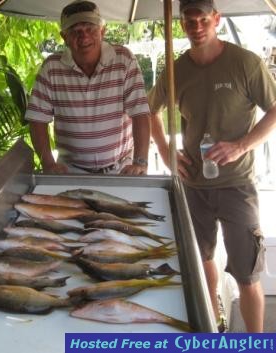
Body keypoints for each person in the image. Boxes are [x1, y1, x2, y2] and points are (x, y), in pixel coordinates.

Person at [148, 0, 276, 332]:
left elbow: (274, 109)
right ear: (181, 25)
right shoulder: (176, 70)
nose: (197, 26)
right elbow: (150, 111)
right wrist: (165, 152)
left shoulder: (245, 63)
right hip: (193, 184)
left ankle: (255, 342)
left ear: (216, 19)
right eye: (189, 21)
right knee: (200, 260)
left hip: (237, 185)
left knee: (247, 274)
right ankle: (212, 327)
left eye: (203, 19)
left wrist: (241, 145)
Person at [25, 0, 150, 175]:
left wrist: (140, 162)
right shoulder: (51, 67)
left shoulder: (124, 59)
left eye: (90, 28)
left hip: (120, 169)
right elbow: (37, 120)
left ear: (102, 31)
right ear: (64, 37)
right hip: (70, 171)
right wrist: (48, 163)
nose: (84, 37)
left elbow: (140, 113)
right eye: (75, 31)